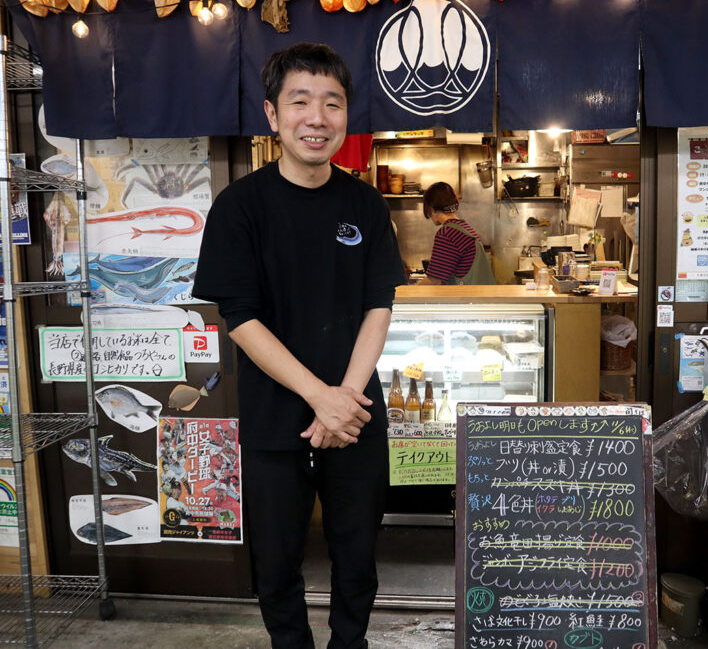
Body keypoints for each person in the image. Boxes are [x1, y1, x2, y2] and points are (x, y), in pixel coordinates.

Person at [192, 43, 406, 649]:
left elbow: (379, 304)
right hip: (274, 418)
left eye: (332, 103)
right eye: (301, 102)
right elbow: (239, 317)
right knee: (278, 565)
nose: (317, 117)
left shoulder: (365, 203)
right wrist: (321, 399)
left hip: (356, 418)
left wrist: (346, 400)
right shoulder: (239, 207)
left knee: (357, 558)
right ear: (272, 115)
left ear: (346, 116)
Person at [417, 182, 495, 285]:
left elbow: (434, 280)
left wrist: (409, 292)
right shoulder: (465, 228)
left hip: (466, 298)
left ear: (432, 209)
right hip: (480, 297)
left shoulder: (447, 233)